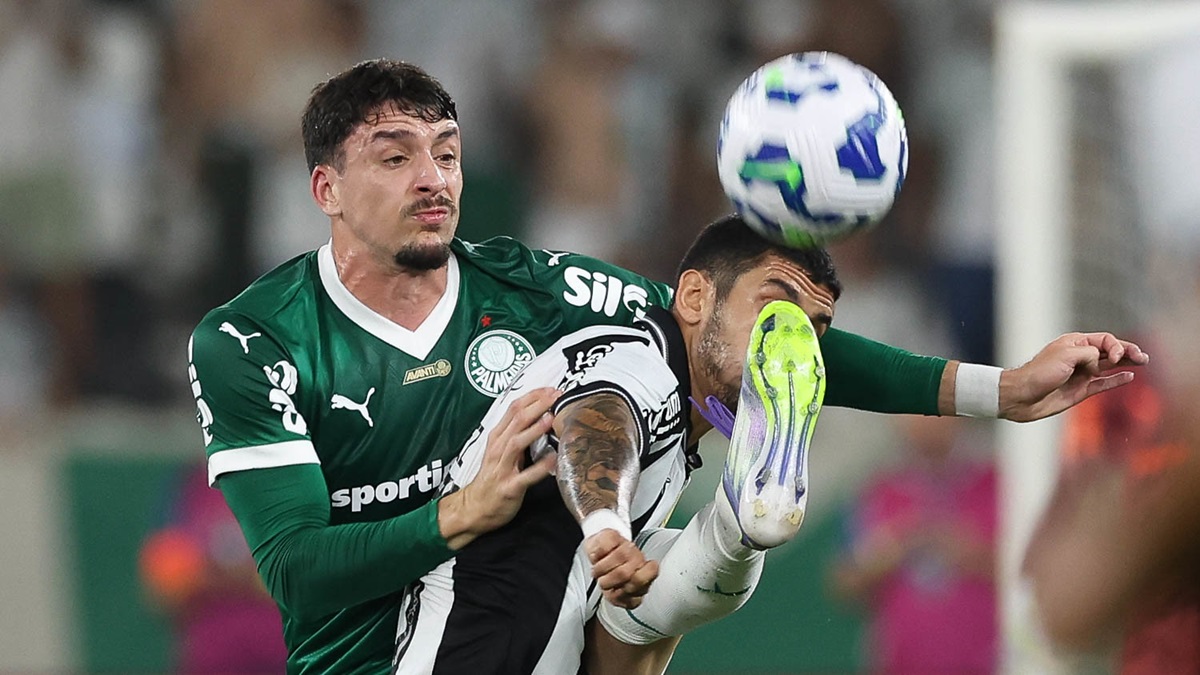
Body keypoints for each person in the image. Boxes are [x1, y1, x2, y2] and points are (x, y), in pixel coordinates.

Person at [186, 59, 1149, 674]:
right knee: (624, 495)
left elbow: (719, 339)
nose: (434, 178)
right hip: (387, 655)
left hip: (539, 611)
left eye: (446, 152)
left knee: (668, 400)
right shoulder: (252, 341)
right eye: (396, 158)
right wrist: (458, 511)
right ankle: (719, 536)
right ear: (325, 188)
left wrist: (998, 388)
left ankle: (727, 533)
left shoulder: (532, 286)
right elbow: (298, 575)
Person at [393, 214, 840, 673]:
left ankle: (735, 533)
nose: (790, 347)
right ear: (694, 298)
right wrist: (605, 525)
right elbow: (595, 423)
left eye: (812, 332)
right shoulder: (639, 361)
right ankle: (734, 533)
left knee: (666, 571)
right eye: (774, 312)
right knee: (678, 562)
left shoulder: (674, 430)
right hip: (467, 654)